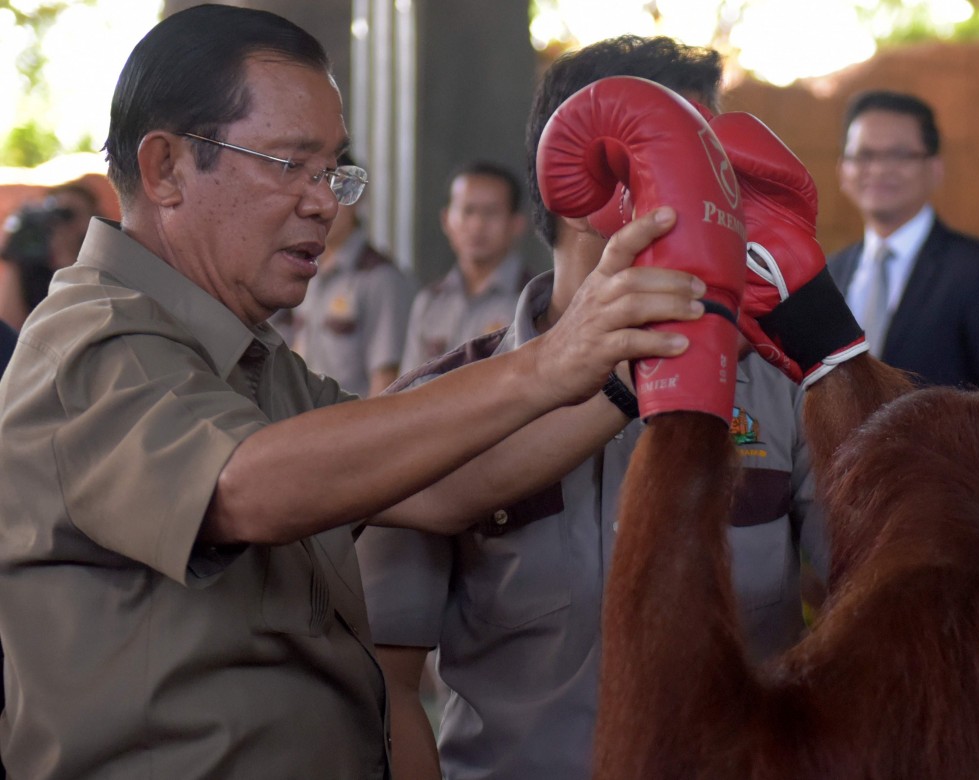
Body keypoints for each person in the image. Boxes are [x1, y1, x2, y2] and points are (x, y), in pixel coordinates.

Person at [0, 7, 708, 778]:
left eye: (334, 171)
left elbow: (441, 487)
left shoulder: (252, 361)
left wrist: (623, 367)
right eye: (289, 165)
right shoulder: (93, 341)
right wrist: (547, 362)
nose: (325, 203)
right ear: (167, 168)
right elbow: (247, 488)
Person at [358, 35, 828, 780]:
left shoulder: (788, 389)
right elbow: (387, 687)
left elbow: (884, 600)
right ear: (584, 175)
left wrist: (830, 340)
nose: (726, 197)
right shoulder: (433, 412)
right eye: (698, 163)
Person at [826, 89, 979, 396]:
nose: (878, 169)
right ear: (842, 170)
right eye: (864, 155)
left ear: (935, 169)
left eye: (899, 155)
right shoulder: (829, 272)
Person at [279, 151, 418, 396]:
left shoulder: (380, 278)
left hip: (351, 425)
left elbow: (387, 380)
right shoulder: (305, 266)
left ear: (355, 199)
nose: (322, 208)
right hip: (305, 422)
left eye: (336, 195)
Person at [399, 160, 533, 372]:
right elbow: (408, 387)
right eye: (467, 211)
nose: (477, 224)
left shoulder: (532, 302)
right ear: (446, 220)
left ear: (516, 224)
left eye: (491, 212)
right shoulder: (429, 302)